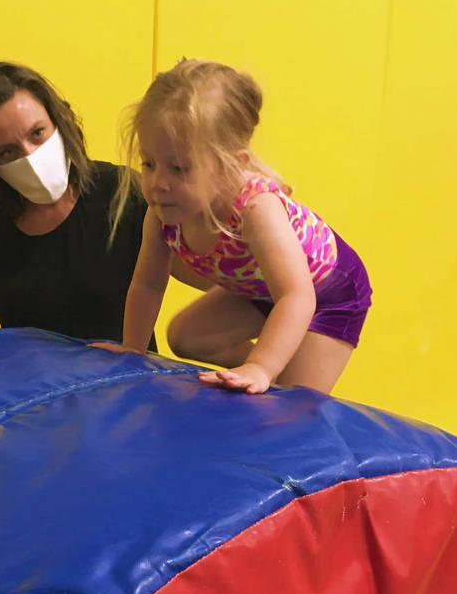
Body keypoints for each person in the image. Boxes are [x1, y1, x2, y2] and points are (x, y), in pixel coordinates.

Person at [100, 58, 371, 395]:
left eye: (180, 168)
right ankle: (276, 363)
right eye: (149, 163)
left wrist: (261, 365)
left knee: (293, 406)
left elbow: (297, 296)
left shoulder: (256, 209)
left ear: (232, 166)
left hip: (328, 292)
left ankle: (280, 371)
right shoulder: (161, 214)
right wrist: (133, 349)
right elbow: (148, 285)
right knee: (186, 337)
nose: (158, 182)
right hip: (265, 290)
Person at [0, 60, 157, 347]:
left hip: (126, 386)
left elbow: (219, 276)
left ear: (59, 120)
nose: (30, 156)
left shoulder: (124, 195)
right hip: (32, 389)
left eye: (37, 133)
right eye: (8, 152)